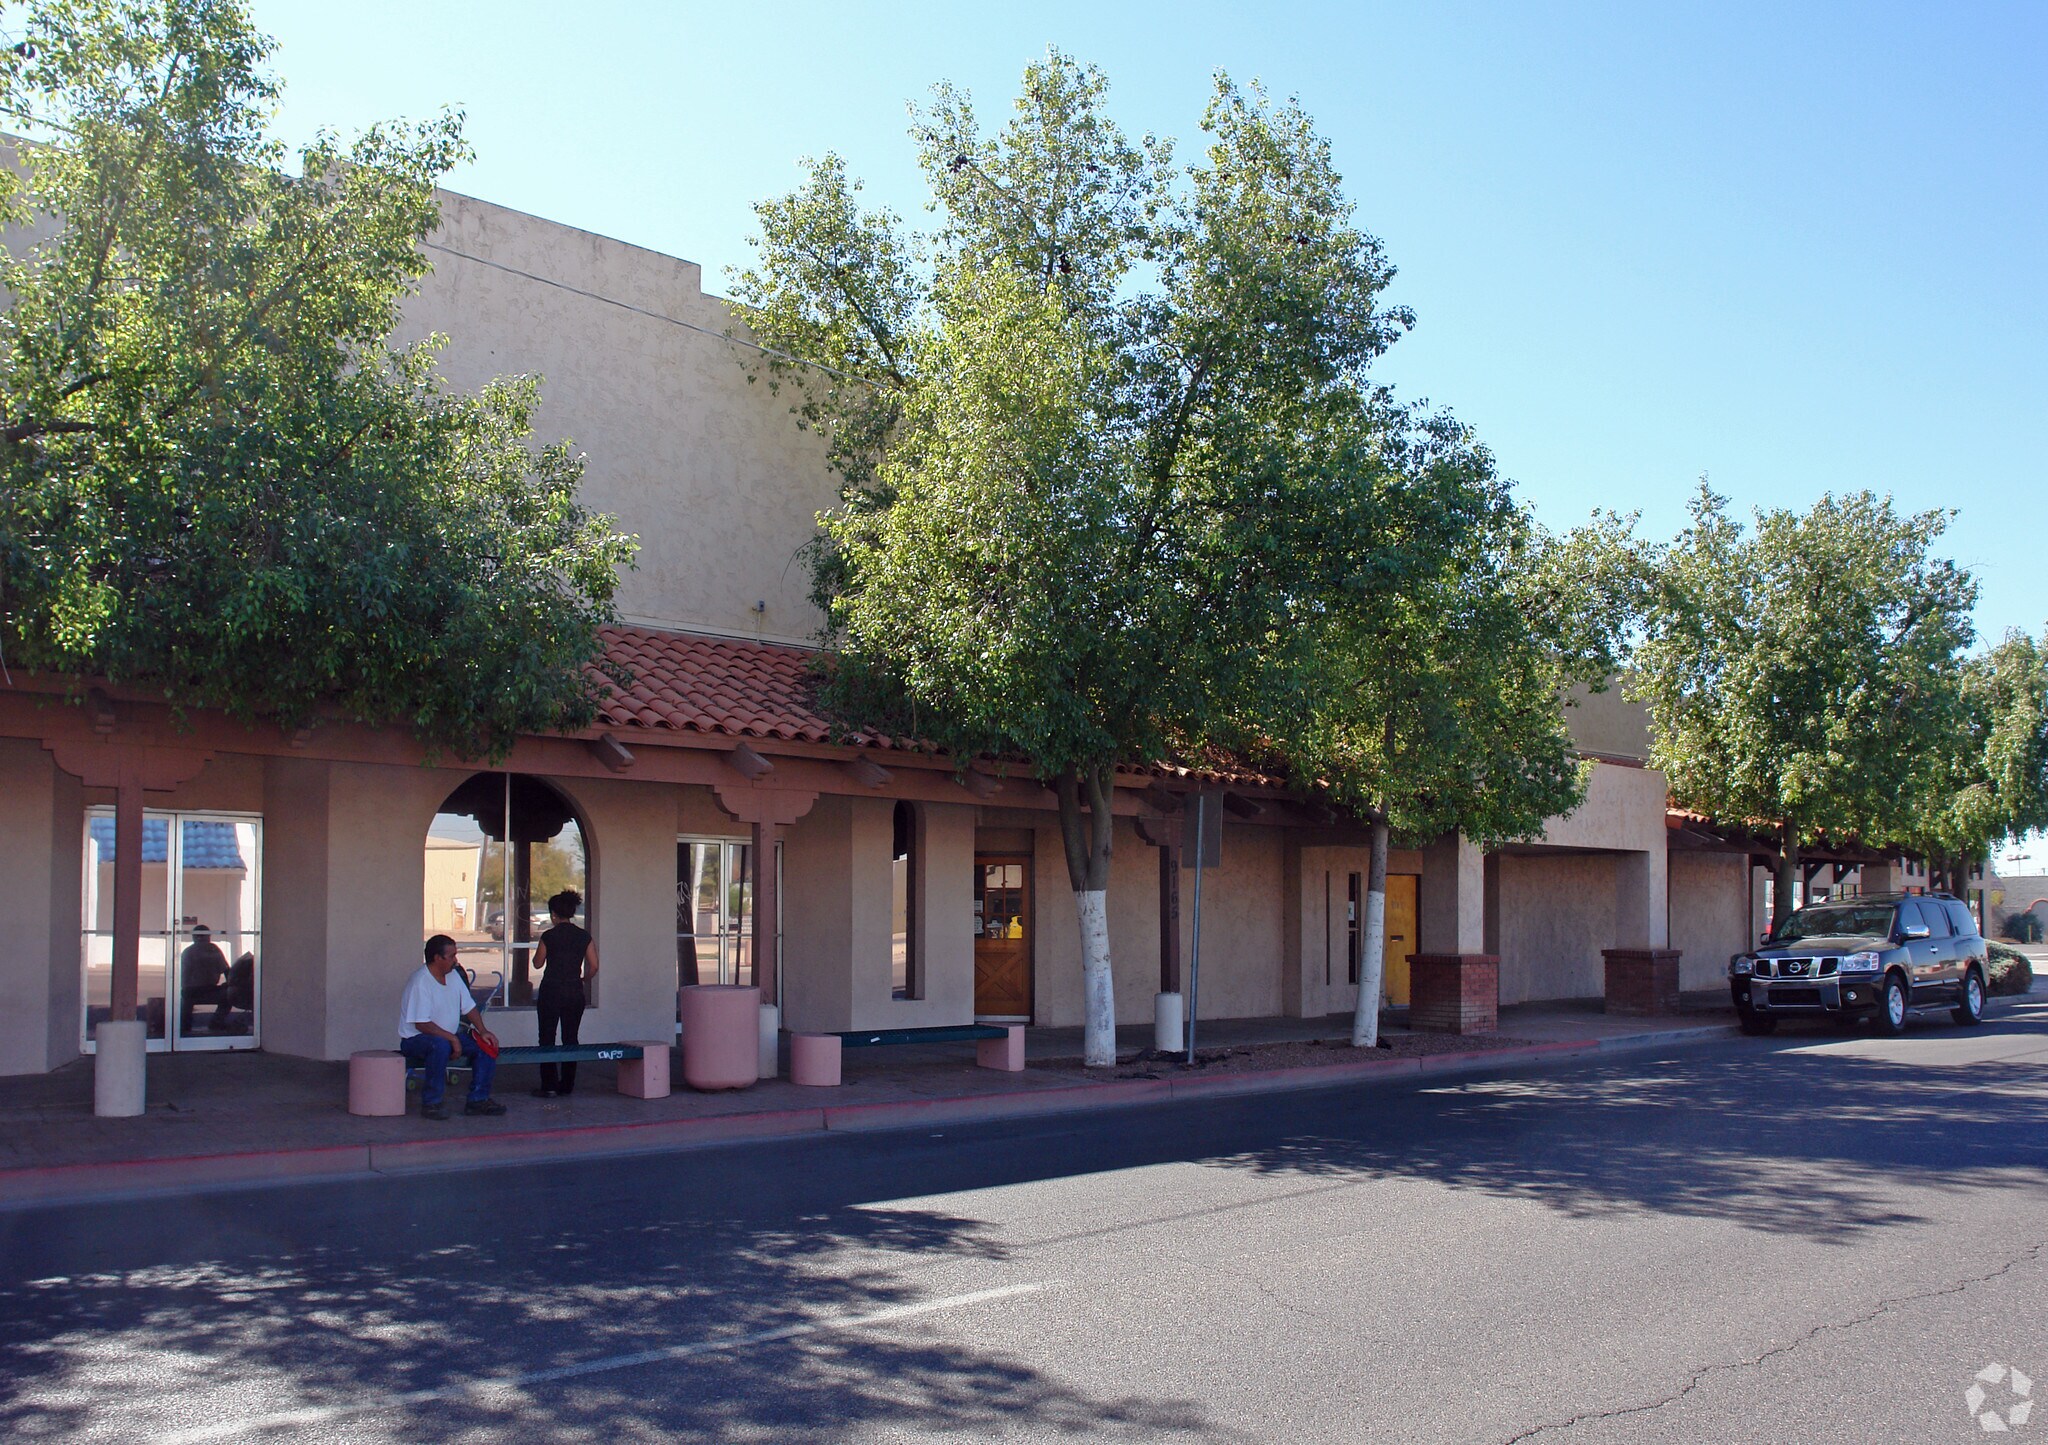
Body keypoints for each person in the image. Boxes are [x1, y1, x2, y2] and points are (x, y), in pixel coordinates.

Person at [400, 936, 506, 1119]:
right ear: (437, 958)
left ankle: (478, 1099)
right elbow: (421, 1023)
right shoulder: (420, 981)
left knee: (486, 1046)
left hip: (448, 1036)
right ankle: (432, 1103)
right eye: (451, 956)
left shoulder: (454, 976)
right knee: (439, 1045)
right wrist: (452, 1038)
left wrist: (483, 1031)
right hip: (415, 1039)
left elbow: (469, 1007)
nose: (456, 961)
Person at [529, 889, 599, 1098]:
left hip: (551, 990)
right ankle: (567, 1085)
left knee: (547, 1037)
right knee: (570, 1037)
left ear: (553, 914)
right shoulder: (583, 936)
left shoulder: (549, 936)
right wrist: (583, 979)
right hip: (574, 991)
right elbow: (594, 965)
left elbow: (538, 963)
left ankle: (549, 1085)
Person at [177, 925, 229, 1034]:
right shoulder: (213, 950)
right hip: (206, 989)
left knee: (186, 1001)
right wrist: (230, 983)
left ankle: (185, 1027)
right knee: (229, 997)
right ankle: (216, 1022)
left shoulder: (188, 951)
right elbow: (225, 970)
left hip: (189, 991)